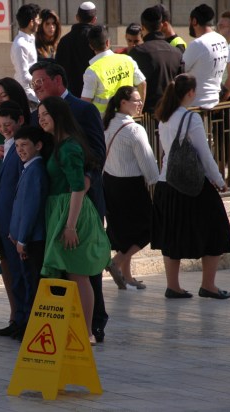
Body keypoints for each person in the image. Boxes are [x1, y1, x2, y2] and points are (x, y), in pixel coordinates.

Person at [28, 59, 111, 342]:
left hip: (75, 206)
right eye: (33, 84)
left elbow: (96, 154)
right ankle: (70, 328)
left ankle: (90, 328)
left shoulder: (83, 112)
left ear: (58, 80)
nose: (36, 88)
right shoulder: (45, 124)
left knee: (82, 273)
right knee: (68, 274)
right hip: (57, 208)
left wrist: (84, 183)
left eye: (40, 82)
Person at [152, 74, 230, 299]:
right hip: (191, 185)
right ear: (190, 92)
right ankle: (208, 285)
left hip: (166, 182)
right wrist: (219, 180)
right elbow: (204, 155)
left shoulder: (164, 117)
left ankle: (174, 286)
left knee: (172, 234)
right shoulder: (191, 119)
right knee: (217, 230)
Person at [0, 78, 30, 326]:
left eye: (4, 97)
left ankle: (24, 317)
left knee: (23, 264)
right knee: (7, 259)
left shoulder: (27, 132)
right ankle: (16, 314)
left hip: (18, 206)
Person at [102, 86, 159, 290]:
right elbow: (149, 164)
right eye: (135, 100)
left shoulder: (106, 125)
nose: (140, 104)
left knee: (123, 232)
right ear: (122, 103)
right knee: (148, 228)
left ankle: (126, 276)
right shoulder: (134, 129)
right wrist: (156, 182)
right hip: (131, 187)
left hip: (109, 184)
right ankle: (117, 262)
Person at [8, 125, 51, 333]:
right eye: (17, 146)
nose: (20, 150)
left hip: (33, 241)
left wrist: (22, 239)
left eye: (24, 145)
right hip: (24, 239)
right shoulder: (28, 168)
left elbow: (31, 209)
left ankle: (34, 330)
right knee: (28, 282)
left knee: (34, 284)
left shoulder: (35, 170)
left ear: (38, 145)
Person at [0, 101, 27, 340]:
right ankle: (18, 318)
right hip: (5, 222)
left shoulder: (21, 148)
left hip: (15, 222)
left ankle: (24, 322)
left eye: (8, 124)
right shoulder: (5, 145)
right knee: (14, 272)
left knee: (22, 274)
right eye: (0, 125)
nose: (4, 129)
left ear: (19, 122)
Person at [81, 25, 147, 116]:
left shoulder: (92, 71)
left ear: (91, 46)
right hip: (127, 118)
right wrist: (138, 111)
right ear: (108, 42)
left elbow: (85, 102)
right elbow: (142, 84)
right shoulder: (127, 60)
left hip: (104, 122)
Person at [129, 6, 183, 114]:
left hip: (147, 116)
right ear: (161, 25)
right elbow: (181, 85)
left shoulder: (137, 52)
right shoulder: (177, 52)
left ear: (142, 28)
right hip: (171, 114)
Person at [182, 4, 229, 109]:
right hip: (215, 101)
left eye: (190, 21)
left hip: (196, 104)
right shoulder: (221, 39)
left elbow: (181, 70)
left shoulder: (198, 43)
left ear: (194, 21)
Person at [55, 1, 97, 98]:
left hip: (69, 97)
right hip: (93, 95)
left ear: (77, 17)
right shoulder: (97, 41)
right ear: (94, 19)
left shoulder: (64, 40)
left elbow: (58, 69)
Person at [11, 3, 41, 107]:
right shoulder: (20, 45)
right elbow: (24, 77)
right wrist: (41, 81)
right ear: (31, 22)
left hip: (33, 91)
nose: (39, 22)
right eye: (38, 19)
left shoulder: (30, 38)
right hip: (26, 95)